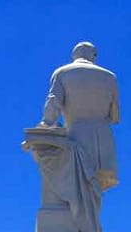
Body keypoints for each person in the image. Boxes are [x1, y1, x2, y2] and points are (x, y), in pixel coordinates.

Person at [40, 41, 120, 192]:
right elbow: (114, 115)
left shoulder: (62, 73)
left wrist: (45, 125)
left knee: (76, 189)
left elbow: (53, 102)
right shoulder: (110, 77)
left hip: (76, 136)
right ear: (93, 55)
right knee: (94, 192)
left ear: (74, 55)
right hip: (104, 140)